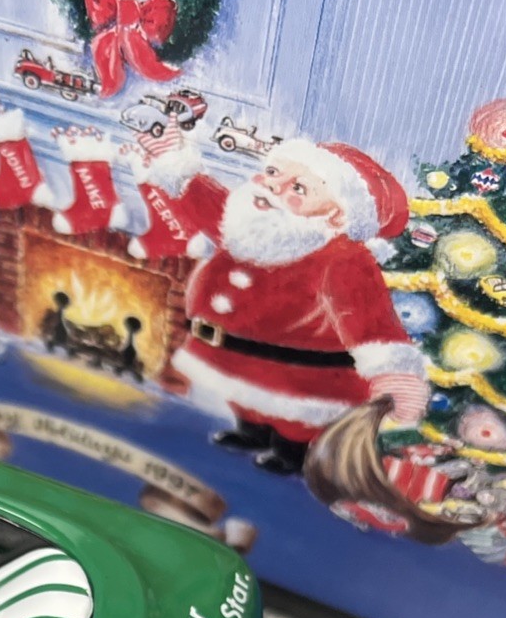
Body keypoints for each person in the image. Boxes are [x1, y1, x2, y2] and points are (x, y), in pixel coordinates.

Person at [140, 123, 429, 473]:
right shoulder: (253, 221)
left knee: (294, 417)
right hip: (236, 357)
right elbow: (209, 208)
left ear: (336, 214)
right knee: (245, 400)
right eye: (274, 172)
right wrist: (175, 162)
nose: (274, 187)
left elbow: (369, 318)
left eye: (298, 188)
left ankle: (292, 454)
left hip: (300, 374)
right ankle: (251, 432)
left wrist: (392, 371)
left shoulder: (343, 259)